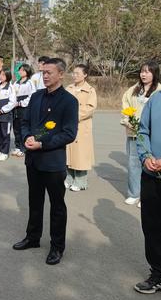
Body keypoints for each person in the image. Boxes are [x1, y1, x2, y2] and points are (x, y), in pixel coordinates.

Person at [13, 58, 78, 266]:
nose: (46, 75)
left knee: (57, 205)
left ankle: (57, 246)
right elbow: (25, 122)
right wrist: (26, 138)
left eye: (50, 72)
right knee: (35, 201)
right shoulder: (36, 96)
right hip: (33, 160)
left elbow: (69, 133)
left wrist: (43, 144)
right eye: (43, 72)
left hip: (52, 161)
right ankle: (33, 237)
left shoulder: (69, 101)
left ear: (61, 74)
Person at [134, 87, 161, 294]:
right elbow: (142, 131)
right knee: (153, 227)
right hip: (152, 177)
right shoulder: (157, 99)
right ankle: (159, 272)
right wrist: (145, 156)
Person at [121, 61, 161, 206]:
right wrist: (128, 121)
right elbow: (125, 107)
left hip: (153, 135)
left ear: (155, 73)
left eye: (147, 71)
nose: (143, 74)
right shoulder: (133, 90)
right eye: (142, 71)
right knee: (133, 164)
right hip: (134, 133)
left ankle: (146, 196)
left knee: (150, 164)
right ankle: (134, 193)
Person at [65, 64, 97, 192]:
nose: (74, 75)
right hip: (68, 125)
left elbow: (90, 108)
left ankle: (81, 181)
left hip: (82, 126)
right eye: (73, 73)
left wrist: (74, 116)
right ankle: (69, 178)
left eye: (78, 73)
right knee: (69, 152)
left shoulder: (90, 90)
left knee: (81, 155)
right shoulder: (69, 88)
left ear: (85, 75)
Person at [0, 67, 17, 161]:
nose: (1, 77)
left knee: (5, 134)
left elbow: (12, 102)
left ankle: (4, 152)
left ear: (8, 76)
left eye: (3, 75)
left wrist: (1, 111)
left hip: (5, 116)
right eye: (0, 75)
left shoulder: (10, 88)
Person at [11, 64, 35, 157]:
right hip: (15, 107)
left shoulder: (30, 82)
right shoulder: (16, 82)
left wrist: (21, 103)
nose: (20, 72)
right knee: (16, 127)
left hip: (24, 108)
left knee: (23, 127)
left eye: (23, 70)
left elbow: (32, 96)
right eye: (20, 70)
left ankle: (23, 147)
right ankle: (17, 146)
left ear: (27, 72)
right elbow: (12, 93)